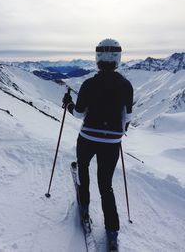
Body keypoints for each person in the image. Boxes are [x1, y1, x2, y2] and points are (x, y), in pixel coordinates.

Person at [62, 38, 133, 251]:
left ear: (97, 58)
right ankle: (112, 231)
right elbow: (127, 117)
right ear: (118, 58)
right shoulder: (126, 85)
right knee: (106, 185)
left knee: (83, 168)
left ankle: (84, 207)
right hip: (111, 141)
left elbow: (78, 113)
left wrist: (68, 104)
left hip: (88, 138)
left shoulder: (88, 84)